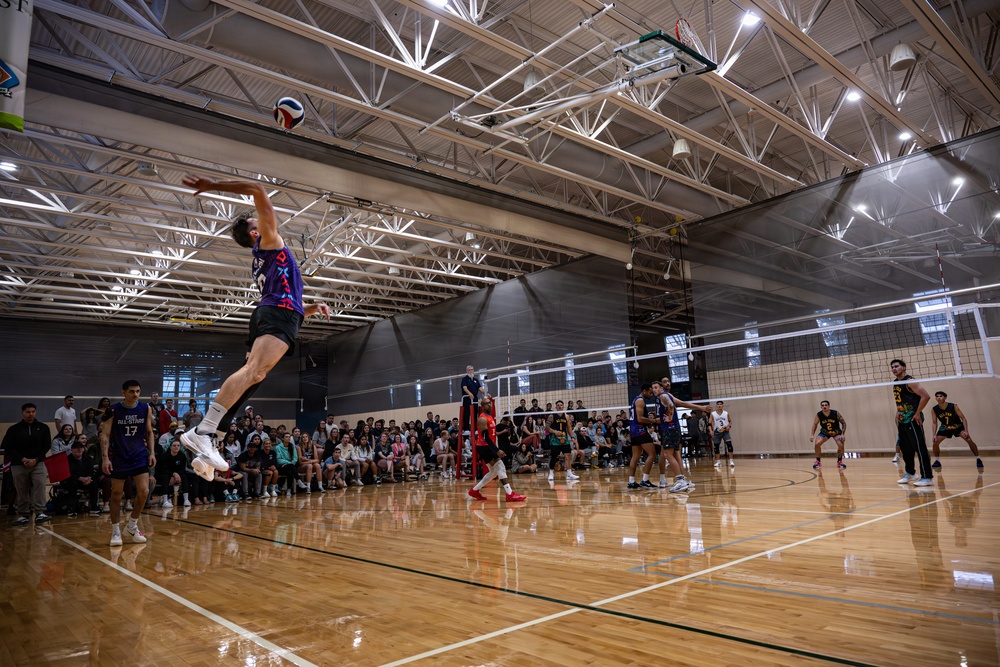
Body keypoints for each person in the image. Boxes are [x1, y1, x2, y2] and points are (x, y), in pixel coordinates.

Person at [178, 174, 331, 474]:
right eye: (256, 223)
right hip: (278, 316)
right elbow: (257, 188)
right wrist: (213, 186)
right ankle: (203, 432)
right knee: (252, 373)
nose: (263, 221)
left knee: (254, 378)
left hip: (277, 314)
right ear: (253, 234)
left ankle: (210, 446)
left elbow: (286, 298)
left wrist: (312, 307)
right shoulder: (269, 241)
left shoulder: (265, 259)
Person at [101, 379, 156, 546]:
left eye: (138, 391)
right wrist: (105, 457)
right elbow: (104, 434)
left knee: (144, 491)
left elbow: (149, 432)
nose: (135, 394)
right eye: (132, 391)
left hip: (139, 455)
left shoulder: (145, 408)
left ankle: (132, 526)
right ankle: (116, 531)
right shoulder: (113, 410)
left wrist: (152, 452)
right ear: (123, 392)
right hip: (119, 456)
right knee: (116, 495)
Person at [468, 398, 526, 502]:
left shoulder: (490, 416)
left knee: (494, 472)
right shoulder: (482, 419)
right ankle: (509, 494)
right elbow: (486, 438)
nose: (489, 405)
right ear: (482, 406)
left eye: (490, 403)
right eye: (486, 404)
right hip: (484, 447)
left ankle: (474, 490)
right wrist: (497, 450)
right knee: (501, 467)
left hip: (488, 446)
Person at [4, 403, 53, 525]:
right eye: (28, 412)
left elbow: (46, 445)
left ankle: (40, 512)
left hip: (38, 463)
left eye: (33, 411)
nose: (30, 414)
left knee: (40, 487)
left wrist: (36, 459)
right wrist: (23, 459)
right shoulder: (13, 429)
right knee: (21, 490)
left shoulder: (43, 427)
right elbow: (8, 447)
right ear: (22, 413)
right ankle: (23, 514)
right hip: (18, 464)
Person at [891, 359, 933, 487]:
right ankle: (910, 473)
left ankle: (927, 477)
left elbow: (926, 397)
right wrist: (898, 414)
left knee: (919, 448)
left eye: (896, 366)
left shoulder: (910, 381)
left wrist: (917, 413)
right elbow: (901, 401)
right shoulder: (895, 383)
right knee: (906, 449)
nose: (894, 368)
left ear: (903, 367)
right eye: (892, 367)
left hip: (913, 419)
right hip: (903, 419)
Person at [652, 381, 691, 492]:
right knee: (671, 454)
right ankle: (681, 480)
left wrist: (670, 416)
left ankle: (680, 481)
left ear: (661, 388)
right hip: (671, 429)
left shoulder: (664, 395)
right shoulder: (663, 397)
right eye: (653, 388)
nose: (654, 390)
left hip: (670, 429)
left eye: (656, 387)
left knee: (667, 454)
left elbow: (670, 405)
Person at [931, 392, 983, 470]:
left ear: (945, 398)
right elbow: (934, 423)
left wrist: (966, 431)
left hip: (957, 426)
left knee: (969, 439)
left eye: (941, 396)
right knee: (935, 442)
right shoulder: (934, 409)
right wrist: (934, 434)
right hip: (945, 427)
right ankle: (937, 461)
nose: (938, 398)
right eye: (937, 396)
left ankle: (978, 458)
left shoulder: (953, 406)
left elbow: (963, 418)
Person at [627, 383, 659, 490]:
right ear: (644, 391)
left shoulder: (635, 400)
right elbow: (640, 419)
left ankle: (631, 482)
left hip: (633, 432)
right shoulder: (640, 400)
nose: (651, 394)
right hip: (640, 431)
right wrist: (654, 421)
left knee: (635, 457)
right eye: (650, 392)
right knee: (652, 454)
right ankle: (645, 480)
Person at [65, 438, 101, 515]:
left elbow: (91, 471)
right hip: (73, 480)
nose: (79, 450)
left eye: (81, 448)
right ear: (71, 450)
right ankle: (71, 508)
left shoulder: (87, 458)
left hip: (85, 480)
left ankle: (94, 506)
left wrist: (88, 479)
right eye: (76, 448)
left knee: (94, 483)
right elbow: (69, 473)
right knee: (73, 484)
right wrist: (80, 478)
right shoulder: (67, 459)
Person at [547, 400, 579, 482]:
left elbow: (569, 428)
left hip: (564, 439)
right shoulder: (552, 416)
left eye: (561, 405)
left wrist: (572, 436)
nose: (559, 406)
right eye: (558, 405)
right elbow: (546, 427)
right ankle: (551, 473)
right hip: (555, 439)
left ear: (563, 406)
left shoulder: (567, 416)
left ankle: (569, 473)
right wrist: (555, 432)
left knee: (568, 455)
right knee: (554, 456)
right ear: (556, 407)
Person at [810, 400, 847, 470]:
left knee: (841, 444)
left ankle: (839, 461)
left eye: (826, 405)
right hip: (825, 432)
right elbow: (815, 424)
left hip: (836, 432)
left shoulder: (835, 413)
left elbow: (844, 423)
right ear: (821, 407)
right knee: (817, 443)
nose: (824, 406)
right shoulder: (819, 414)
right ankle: (818, 461)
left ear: (829, 406)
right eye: (823, 405)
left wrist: (842, 434)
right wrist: (812, 435)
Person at [156, 440, 191, 508]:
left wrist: (176, 475)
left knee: (184, 476)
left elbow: (182, 469)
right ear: (170, 447)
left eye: (178, 445)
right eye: (174, 445)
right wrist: (173, 474)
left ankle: (186, 500)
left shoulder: (182, 456)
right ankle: (165, 500)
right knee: (165, 477)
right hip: (163, 474)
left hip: (176, 475)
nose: (176, 447)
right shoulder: (164, 456)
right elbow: (163, 469)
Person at [460, 364, 485, 437]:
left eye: (472, 369)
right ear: (467, 371)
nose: (471, 371)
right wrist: (469, 394)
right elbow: (464, 388)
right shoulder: (465, 379)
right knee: (467, 413)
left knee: (475, 413)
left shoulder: (476, 380)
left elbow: (480, 389)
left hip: (474, 398)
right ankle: (466, 429)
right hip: (467, 398)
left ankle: (475, 428)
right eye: (469, 370)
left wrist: (486, 393)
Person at [711, 401, 735, 468]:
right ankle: (718, 462)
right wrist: (711, 431)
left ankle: (731, 461)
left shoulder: (726, 413)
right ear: (716, 406)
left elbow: (730, 421)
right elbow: (709, 423)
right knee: (716, 447)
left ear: (723, 405)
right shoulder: (713, 414)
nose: (719, 405)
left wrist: (729, 427)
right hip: (717, 432)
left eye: (720, 404)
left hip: (725, 431)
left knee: (729, 445)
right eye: (718, 404)